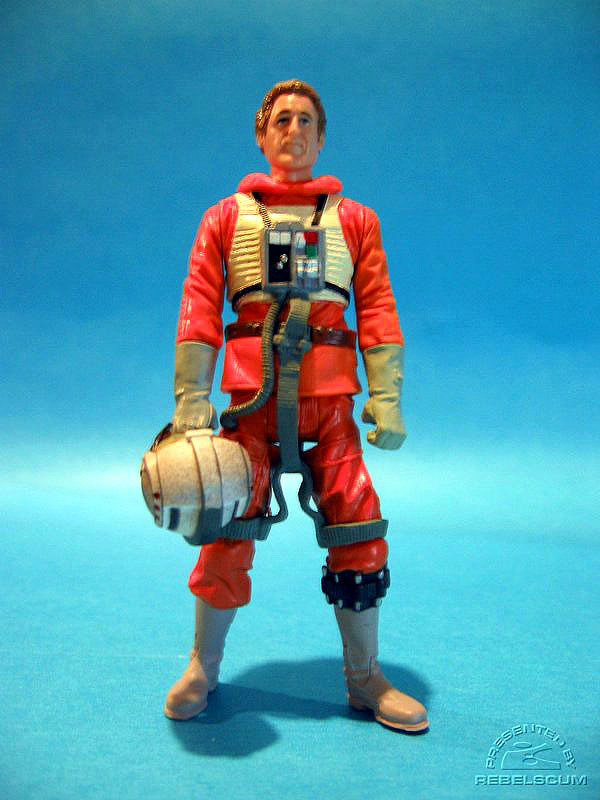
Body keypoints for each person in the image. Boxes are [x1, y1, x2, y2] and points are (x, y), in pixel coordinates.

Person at [162, 80, 428, 732]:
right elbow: (199, 306)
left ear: (322, 135)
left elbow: (377, 306)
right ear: (262, 135)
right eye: (282, 119)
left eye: (307, 119)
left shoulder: (355, 221)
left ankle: (364, 676)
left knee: (360, 528)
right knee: (225, 528)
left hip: (330, 406)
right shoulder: (225, 219)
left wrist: (387, 395)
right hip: (250, 404)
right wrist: (192, 399)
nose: (295, 130)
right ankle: (202, 666)